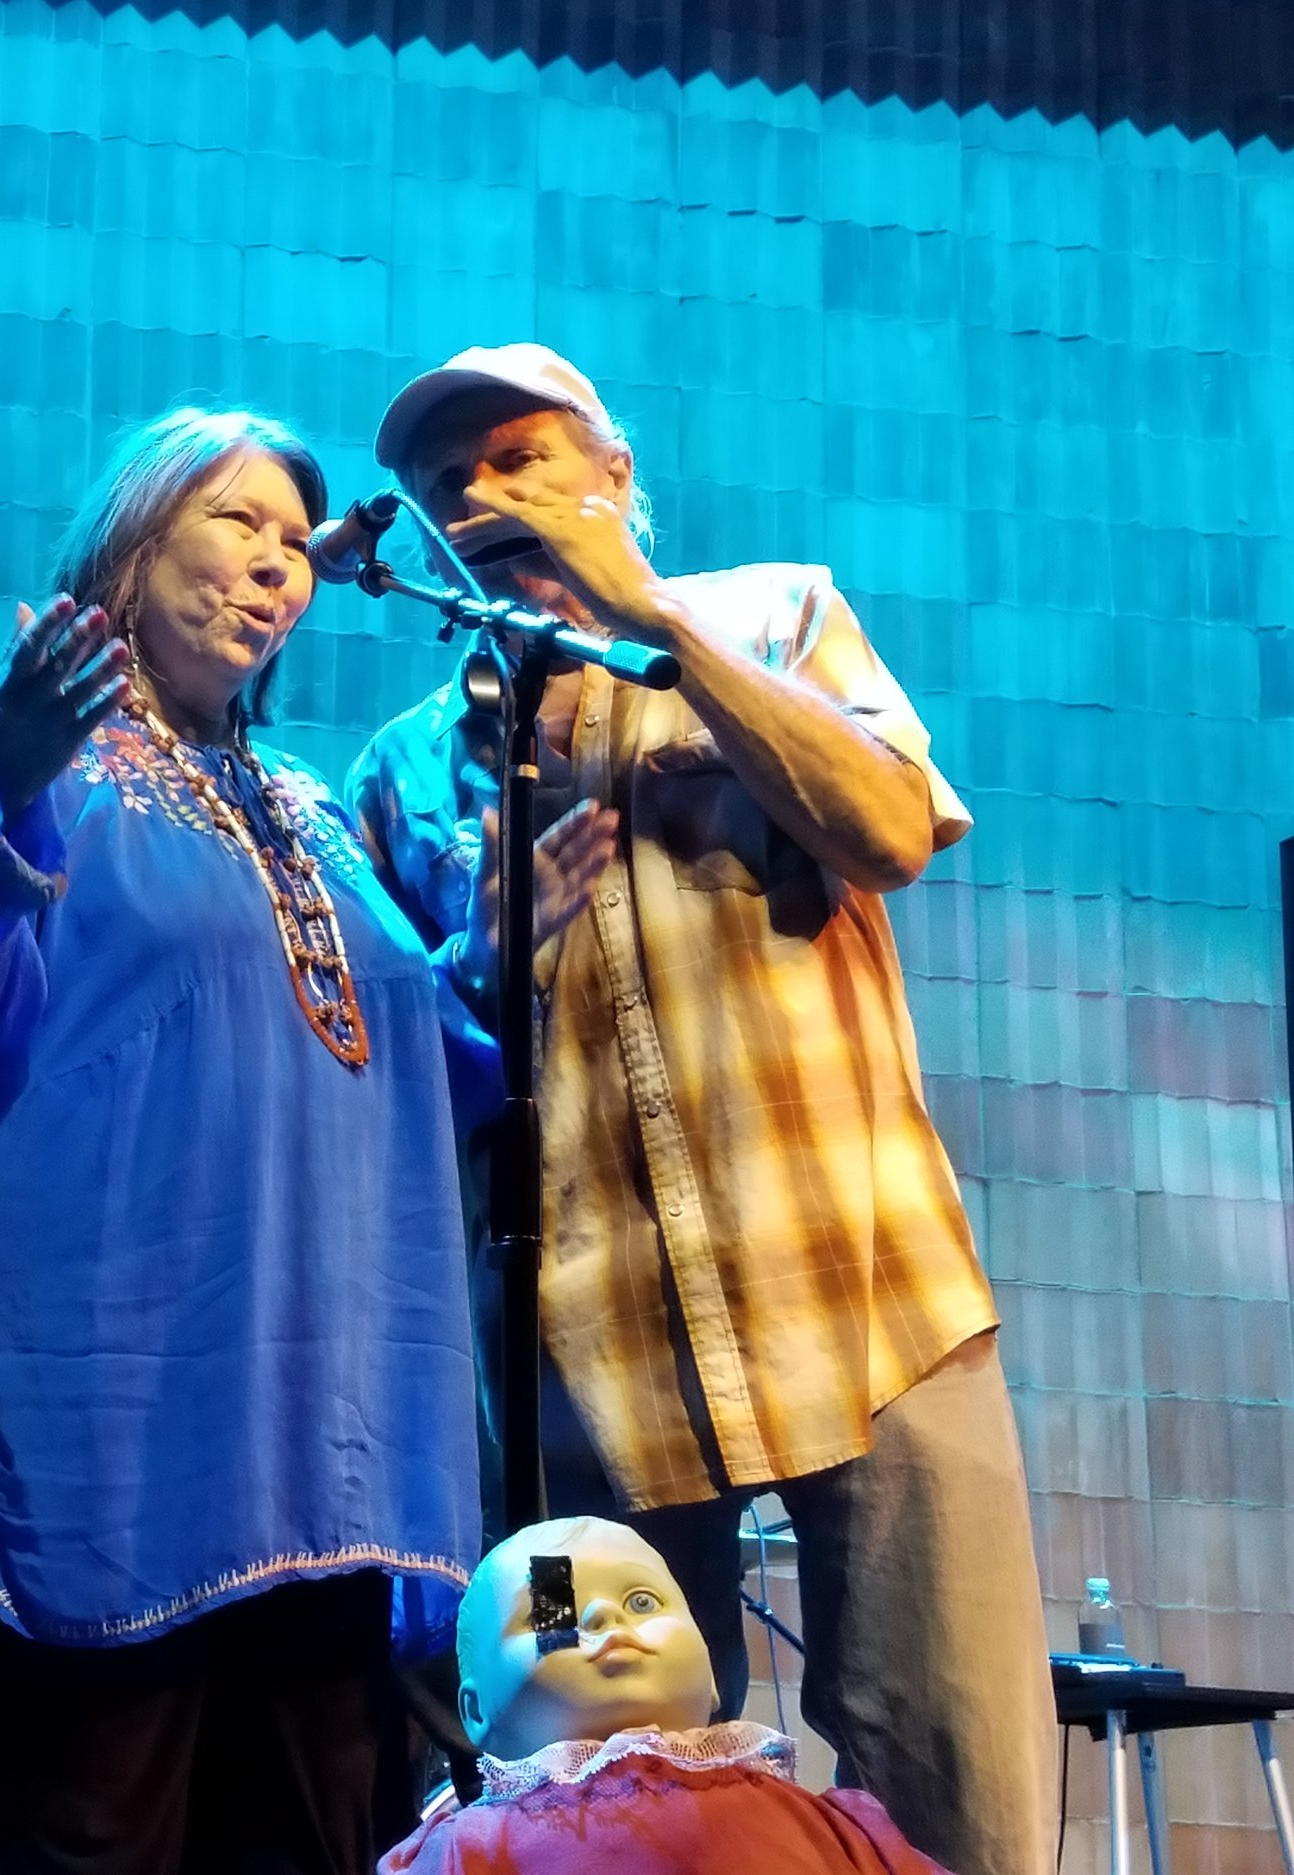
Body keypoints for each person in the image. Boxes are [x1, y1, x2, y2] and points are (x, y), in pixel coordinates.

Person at [347, 343, 1055, 1875]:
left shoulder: (778, 614)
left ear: (614, 473)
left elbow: (887, 829)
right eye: (443, 479)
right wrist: (485, 954)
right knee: (588, 1791)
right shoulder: (405, 767)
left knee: (960, 1771)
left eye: (519, 457)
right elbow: (409, 1094)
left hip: (868, 1290)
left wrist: (655, 620)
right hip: (573, 1370)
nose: (480, 493)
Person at [0, 408, 488, 1875]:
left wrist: (502, 952)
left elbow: (426, 1076)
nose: (277, 567)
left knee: (322, 1842)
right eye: (237, 524)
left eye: (292, 544)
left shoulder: (313, 808)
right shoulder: (22, 759)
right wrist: (8, 783)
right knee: (92, 1828)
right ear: (129, 551)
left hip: (325, 1446)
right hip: (113, 1430)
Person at [379, 1516, 954, 1875]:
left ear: (709, 1672)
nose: (604, 1615)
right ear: (475, 1713)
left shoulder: (838, 1827)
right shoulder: (466, 1850)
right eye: (558, 1612)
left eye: (642, 1603)